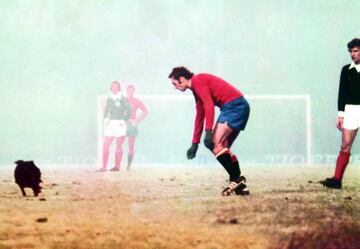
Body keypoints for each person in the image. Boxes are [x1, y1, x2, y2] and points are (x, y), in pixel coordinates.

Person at [168, 66, 250, 196]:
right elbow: (199, 116)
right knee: (222, 147)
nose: (174, 87)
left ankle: (237, 179)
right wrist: (195, 143)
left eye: (174, 83)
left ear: (182, 79)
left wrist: (208, 131)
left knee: (215, 144)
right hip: (238, 106)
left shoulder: (198, 81)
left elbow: (209, 105)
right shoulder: (197, 88)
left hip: (234, 107)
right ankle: (240, 187)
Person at [321, 38, 360, 189]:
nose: (352, 54)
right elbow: (342, 93)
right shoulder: (346, 70)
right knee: (345, 145)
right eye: (350, 51)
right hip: (350, 110)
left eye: (355, 51)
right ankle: (337, 180)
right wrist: (341, 114)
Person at [97, 81, 131, 172]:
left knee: (118, 145)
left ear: (119, 88)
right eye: (113, 86)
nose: (114, 88)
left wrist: (123, 120)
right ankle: (104, 167)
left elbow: (129, 110)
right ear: (111, 88)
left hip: (120, 124)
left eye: (116, 86)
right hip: (110, 123)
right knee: (106, 144)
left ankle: (117, 166)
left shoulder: (122, 98)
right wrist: (105, 118)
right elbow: (105, 109)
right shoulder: (109, 97)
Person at [125, 84, 148, 170]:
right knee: (119, 143)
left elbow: (145, 111)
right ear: (126, 91)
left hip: (132, 125)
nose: (130, 92)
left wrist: (136, 121)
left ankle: (129, 165)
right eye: (129, 90)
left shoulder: (136, 101)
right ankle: (117, 164)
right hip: (123, 124)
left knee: (131, 145)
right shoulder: (123, 100)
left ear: (133, 92)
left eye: (132, 91)